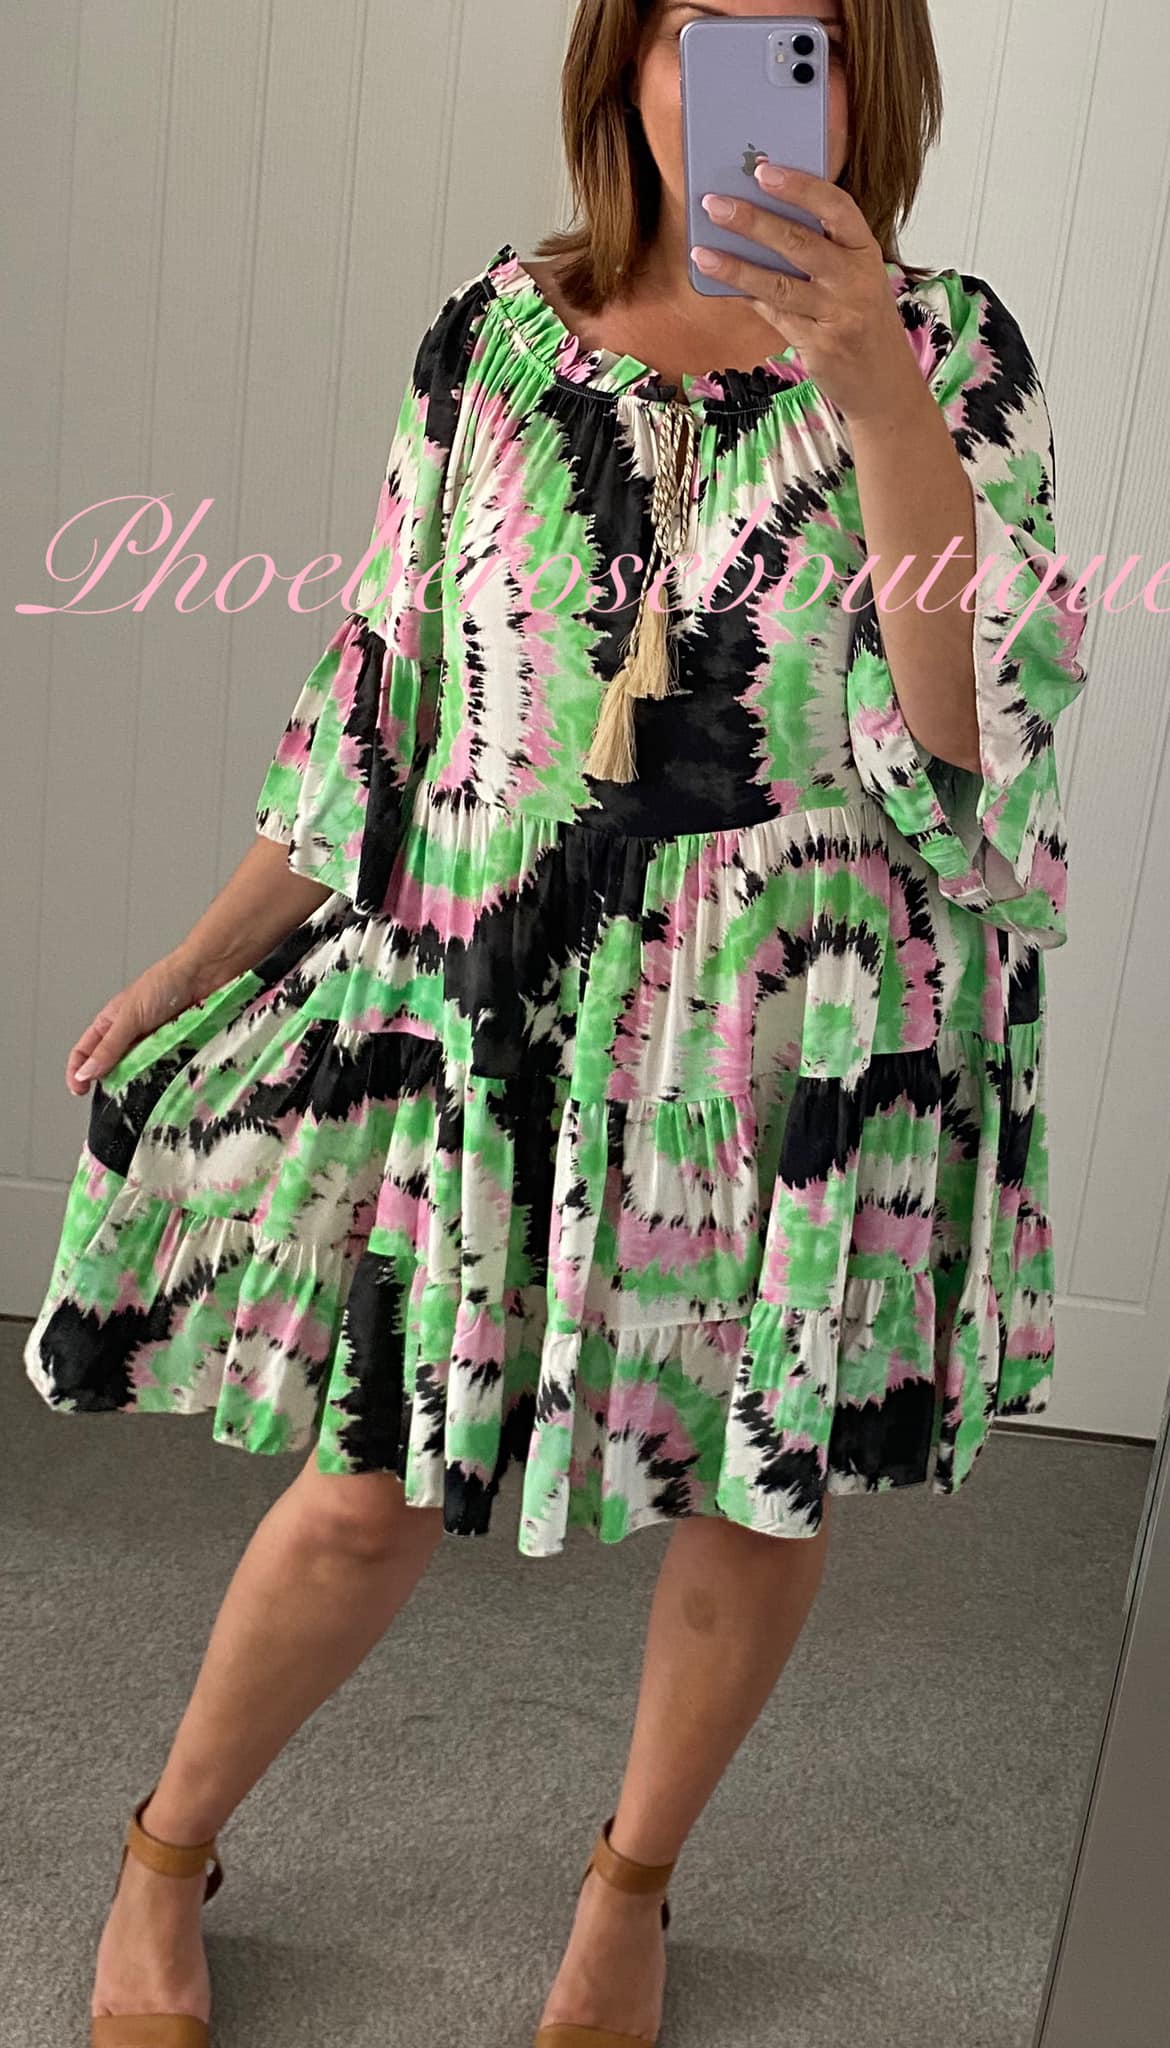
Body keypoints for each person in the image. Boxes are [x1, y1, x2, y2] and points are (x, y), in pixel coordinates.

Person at [25, 3, 1088, 2045]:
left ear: (867, 71)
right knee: (364, 1487)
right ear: (625, 60)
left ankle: (629, 1889)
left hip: (793, 1041)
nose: (746, 76)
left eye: (802, 33)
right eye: (702, 26)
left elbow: (970, 746)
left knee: (750, 1496)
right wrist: (192, 961)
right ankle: (164, 1851)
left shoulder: (954, 353)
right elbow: (379, 708)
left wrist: (879, 401)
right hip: (493, 1031)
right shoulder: (495, 340)